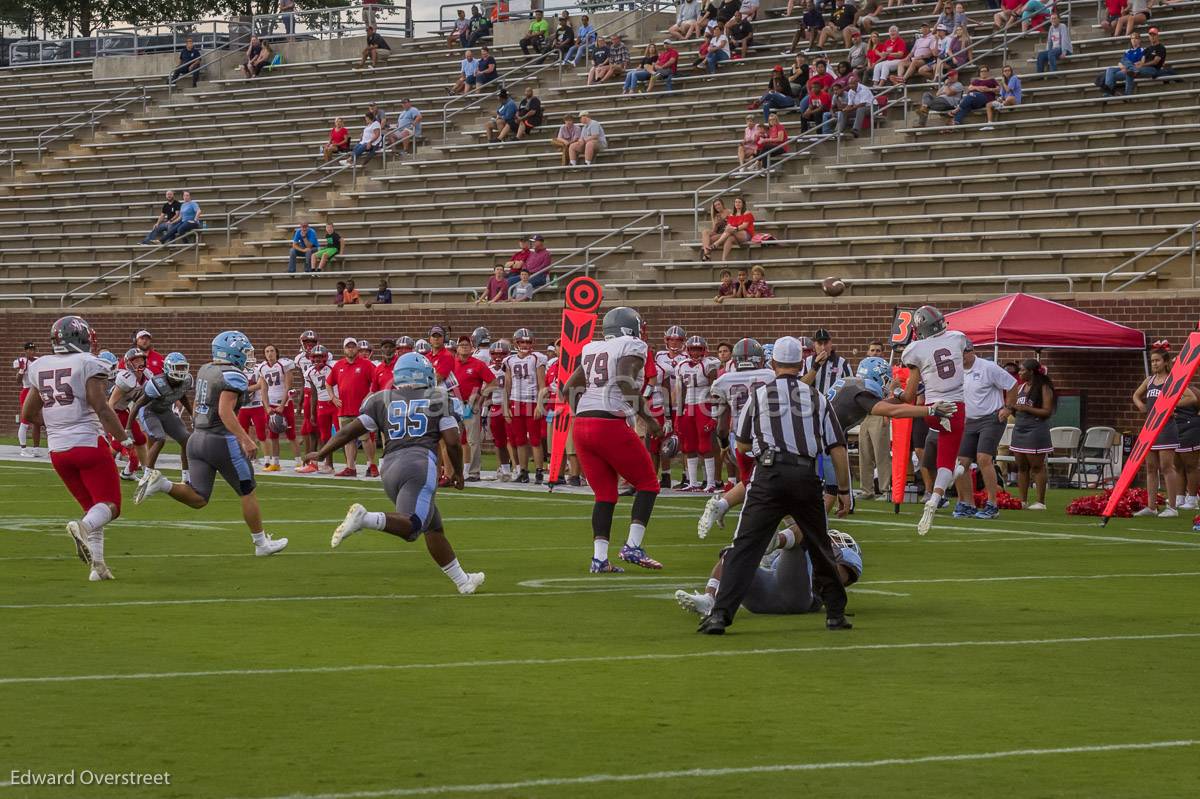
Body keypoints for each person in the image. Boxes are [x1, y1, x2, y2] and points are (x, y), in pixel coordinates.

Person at [695, 335, 851, 634]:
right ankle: (834, 614)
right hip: (806, 476)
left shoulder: (760, 395)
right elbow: (837, 447)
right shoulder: (817, 397)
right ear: (799, 363)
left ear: (773, 363)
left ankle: (720, 616)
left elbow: (740, 445)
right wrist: (843, 490)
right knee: (819, 544)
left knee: (746, 547)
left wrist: (753, 464)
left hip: (769, 473)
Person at [305, 354, 485, 594]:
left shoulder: (380, 399)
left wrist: (321, 452)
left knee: (433, 526)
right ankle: (365, 518)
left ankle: (463, 581)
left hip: (389, 467)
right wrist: (458, 473)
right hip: (419, 465)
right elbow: (452, 442)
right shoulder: (439, 398)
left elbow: (348, 432)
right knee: (412, 527)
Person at [135, 332, 288, 557]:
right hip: (221, 440)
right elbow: (225, 410)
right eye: (245, 351)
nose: (247, 356)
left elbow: (198, 403)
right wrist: (245, 439)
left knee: (198, 498)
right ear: (231, 351)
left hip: (197, 438)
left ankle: (162, 485)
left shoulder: (206, 369)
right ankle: (261, 544)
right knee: (247, 490)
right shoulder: (234, 375)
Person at [21, 317, 129, 581]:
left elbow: (28, 412)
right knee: (110, 507)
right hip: (88, 445)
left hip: (58, 452)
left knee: (94, 508)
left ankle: (98, 567)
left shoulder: (41, 365)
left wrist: (58, 427)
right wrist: (124, 441)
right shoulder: (87, 363)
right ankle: (81, 527)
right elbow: (101, 406)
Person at [561, 307, 664, 572]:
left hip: (582, 424)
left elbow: (568, 389)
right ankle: (632, 546)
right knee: (649, 483)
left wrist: (584, 414)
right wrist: (650, 420)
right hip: (609, 423)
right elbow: (624, 381)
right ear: (633, 327)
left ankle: (599, 559)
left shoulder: (592, 348)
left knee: (605, 494)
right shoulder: (633, 345)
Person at [677, 528, 862, 617]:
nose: (832, 539)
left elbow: (840, 576)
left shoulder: (846, 554)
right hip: (766, 593)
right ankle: (709, 600)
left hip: (799, 596)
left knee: (804, 528)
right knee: (732, 554)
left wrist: (819, 555)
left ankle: (777, 539)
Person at [901, 305, 969, 536]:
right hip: (957, 407)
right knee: (947, 463)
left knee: (946, 462)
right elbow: (966, 354)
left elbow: (909, 396)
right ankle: (938, 494)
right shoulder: (958, 338)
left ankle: (941, 488)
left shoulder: (915, 349)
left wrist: (896, 393)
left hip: (932, 410)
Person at [950, 344, 1019, 519]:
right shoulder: (955, 371)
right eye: (958, 353)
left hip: (991, 418)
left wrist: (1008, 408)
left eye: (965, 352)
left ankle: (992, 504)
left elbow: (1012, 384)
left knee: (983, 458)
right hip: (969, 420)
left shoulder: (988, 367)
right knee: (961, 463)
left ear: (972, 351)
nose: (962, 356)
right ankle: (967, 503)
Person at [1133, 345, 1187, 517]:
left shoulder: (1172, 380)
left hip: (1166, 428)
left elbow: (1191, 398)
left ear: (1165, 362)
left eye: (1157, 360)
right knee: (1150, 467)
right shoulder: (1149, 380)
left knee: (1166, 467)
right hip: (1150, 428)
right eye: (1152, 361)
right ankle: (1151, 506)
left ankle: (1172, 507)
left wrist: (1172, 405)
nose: (1154, 364)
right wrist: (1141, 405)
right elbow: (1135, 396)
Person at [124, 351, 194, 482]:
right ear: (168, 368)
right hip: (149, 411)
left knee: (186, 439)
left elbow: (182, 395)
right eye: (176, 368)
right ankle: (147, 476)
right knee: (160, 438)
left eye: (182, 367)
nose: (180, 371)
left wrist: (192, 414)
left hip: (165, 412)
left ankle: (186, 478)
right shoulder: (157, 383)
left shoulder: (187, 380)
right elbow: (138, 404)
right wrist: (128, 427)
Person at [673, 335, 721, 491]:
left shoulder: (709, 364)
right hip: (689, 406)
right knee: (688, 445)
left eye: (697, 349)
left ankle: (711, 483)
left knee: (705, 444)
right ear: (687, 350)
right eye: (692, 349)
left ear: (704, 350)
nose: (694, 353)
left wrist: (714, 415)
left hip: (704, 405)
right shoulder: (681, 365)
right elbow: (680, 391)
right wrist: (678, 416)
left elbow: (714, 390)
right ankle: (692, 482)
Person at [328, 337, 378, 477]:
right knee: (347, 439)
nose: (350, 349)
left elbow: (375, 383)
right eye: (348, 347)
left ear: (357, 348)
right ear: (344, 349)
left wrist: (368, 398)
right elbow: (329, 383)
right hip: (344, 409)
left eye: (353, 346)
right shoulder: (338, 365)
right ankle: (351, 467)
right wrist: (333, 397)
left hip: (361, 410)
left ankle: (371, 465)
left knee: (365, 438)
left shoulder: (366, 364)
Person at [503, 328, 547, 483]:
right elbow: (507, 385)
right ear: (516, 342)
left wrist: (539, 405)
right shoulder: (509, 360)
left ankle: (540, 471)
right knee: (519, 440)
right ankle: (523, 471)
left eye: (528, 341)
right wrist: (505, 406)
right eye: (522, 341)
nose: (525, 344)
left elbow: (542, 384)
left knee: (535, 439)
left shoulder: (537, 358)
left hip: (532, 401)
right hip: (515, 401)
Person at [451, 335, 496, 482]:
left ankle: (474, 472)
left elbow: (493, 382)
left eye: (467, 344)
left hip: (471, 404)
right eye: (461, 344)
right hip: (454, 404)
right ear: (457, 348)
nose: (464, 346)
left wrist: (481, 396)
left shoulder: (478, 364)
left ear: (472, 348)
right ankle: (453, 471)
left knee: (473, 440)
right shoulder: (451, 363)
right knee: (452, 440)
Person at [13, 341, 42, 457]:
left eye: (33, 349)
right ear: (25, 350)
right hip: (27, 390)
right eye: (29, 349)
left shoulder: (38, 361)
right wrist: (21, 370)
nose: (32, 351)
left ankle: (36, 449)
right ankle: (23, 449)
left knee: (38, 422)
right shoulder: (22, 361)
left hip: (37, 391)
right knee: (25, 421)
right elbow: (18, 381)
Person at [707, 196, 753, 261]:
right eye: (736, 202)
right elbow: (728, 226)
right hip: (734, 234)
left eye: (739, 202)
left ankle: (716, 243)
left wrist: (735, 229)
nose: (737, 203)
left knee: (729, 230)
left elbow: (744, 226)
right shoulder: (732, 215)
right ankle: (724, 260)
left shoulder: (747, 213)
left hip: (746, 234)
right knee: (730, 238)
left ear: (743, 204)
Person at [1100, 32, 1145, 97]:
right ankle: (1108, 92)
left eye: (1136, 38)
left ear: (1139, 40)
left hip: (1131, 71)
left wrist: (1130, 66)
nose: (1134, 40)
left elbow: (1142, 62)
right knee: (1110, 70)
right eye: (1132, 39)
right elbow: (1120, 63)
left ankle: (1107, 94)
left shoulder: (1142, 50)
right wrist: (1123, 67)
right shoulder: (1127, 51)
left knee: (1111, 75)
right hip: (1124, 69)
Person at [985, 64, 1020, 129]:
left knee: (1009, 98)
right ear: (1003, 73)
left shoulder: (1014, 78)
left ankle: (1001, 105)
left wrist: (1003, 83)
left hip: (1015, 100)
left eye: (1008, 70)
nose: (1007, 72)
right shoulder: (1004, 81)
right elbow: (1002, 95)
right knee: (988, 105)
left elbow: (1008, 90)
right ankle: (989, 124)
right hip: (1005, 101)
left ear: (1011, 71)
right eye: (1005, 71)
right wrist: (999, 99)